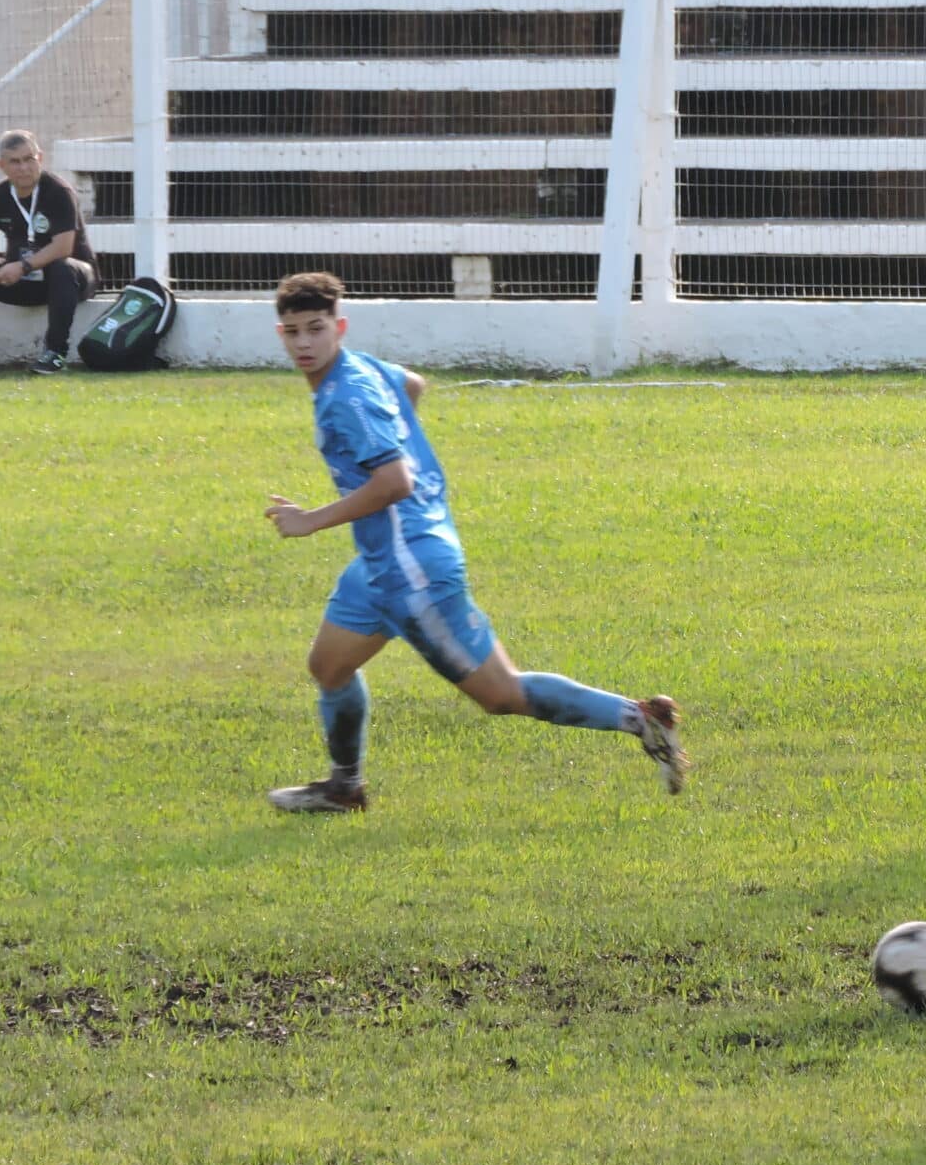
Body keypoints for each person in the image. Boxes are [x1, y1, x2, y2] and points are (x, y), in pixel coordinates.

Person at [261, 271, 689, 812]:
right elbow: (413, 384)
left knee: (500, 694)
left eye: (316, 329)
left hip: (413, 568)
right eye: (294, 331)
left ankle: (642, 718)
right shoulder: (361, 368)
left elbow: (394, 482)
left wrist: (311, 520)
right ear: (280, 334)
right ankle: (344, 788)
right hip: (381, 562)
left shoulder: (345, 397)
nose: (304, 343)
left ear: (338, 328)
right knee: (329, 667)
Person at [0, 129, 98, 375]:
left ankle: (55, 352)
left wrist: (23, 266)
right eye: (15, 162)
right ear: (2, 166)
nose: (23, 168)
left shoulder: (58, 192)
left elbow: (64, 246)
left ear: (40, 158)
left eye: (29, 159)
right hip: (23, 278)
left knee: (62, 268)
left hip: (70, 280)